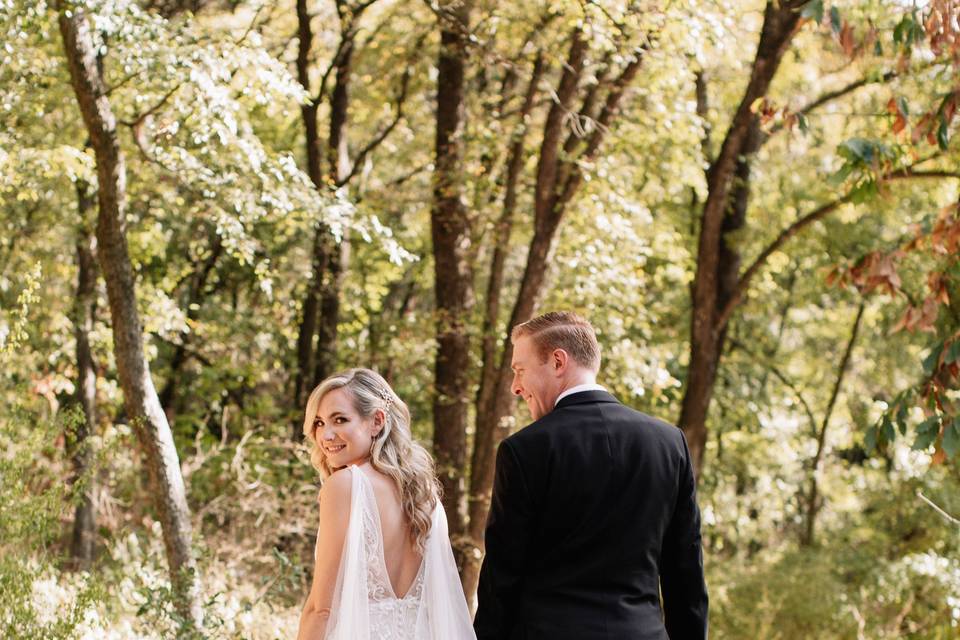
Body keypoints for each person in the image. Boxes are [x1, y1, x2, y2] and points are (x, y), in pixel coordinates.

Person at [473, 311, 709, 640]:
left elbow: (502, 577)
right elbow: (685, 573)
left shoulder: (525, 450)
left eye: (520, 370)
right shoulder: (669, 443)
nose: (515, 387)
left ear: (558, 361)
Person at [297, 368, 475, 640]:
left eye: (340, 419)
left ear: (377, 421)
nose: (326, 435)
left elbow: (322, 608)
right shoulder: (425, 492)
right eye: (319, 423)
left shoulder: (345, 485)